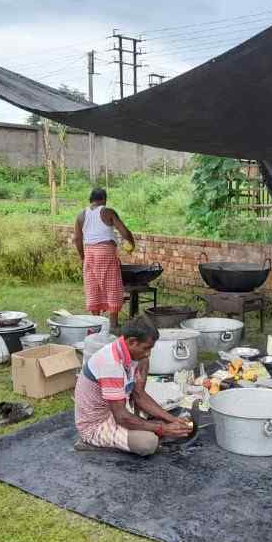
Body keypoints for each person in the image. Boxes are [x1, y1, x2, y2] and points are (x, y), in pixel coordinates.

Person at [74, 319, 191, 455]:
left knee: (163, 423)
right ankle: (90, 442)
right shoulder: (111, 364)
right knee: (148, 443)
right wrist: (161, 429)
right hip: (96, 425)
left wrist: (171, 419)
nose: (148, 353)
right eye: (146, 348)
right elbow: (121, 417)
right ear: (132, 342)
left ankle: (137, 431)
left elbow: (139, 395)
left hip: (114, 410)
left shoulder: (130, 354)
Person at [73, 187, 135, 329]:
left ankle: (96, 322)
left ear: (91, 200)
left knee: (93, 285)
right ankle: (113, 323)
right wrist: (132, 242)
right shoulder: (108, 212)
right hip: (105, 252)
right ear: (104, 199)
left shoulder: (81, 215)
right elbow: (124, 232)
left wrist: (83, 257)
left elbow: (77, 239)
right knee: (112, 285)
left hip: (90, 253)